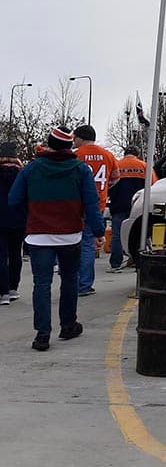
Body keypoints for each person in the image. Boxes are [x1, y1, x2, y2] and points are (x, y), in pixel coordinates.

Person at [7, 126, 105, 351]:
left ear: (49, 143)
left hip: (38, 236)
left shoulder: (31, 169)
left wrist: (30, 220)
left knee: (41, 284)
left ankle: (42, 335)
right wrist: (99, 232)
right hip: (70, 236)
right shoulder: (80, 170)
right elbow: (91, 203)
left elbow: (14, 200)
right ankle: (68, 325)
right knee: (70, 279)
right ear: (70, 146)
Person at [72, 125, 119, 297]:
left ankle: (73, 282)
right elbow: (115, 178)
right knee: (88, 245)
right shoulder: (107, 155)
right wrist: (103, 188)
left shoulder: (76, 155)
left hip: (76, 205)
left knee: (73, 243)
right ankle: (85, 285)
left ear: (80, 138)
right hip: (97, 205)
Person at [108, 146, 156, 272]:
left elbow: (108, 185)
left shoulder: (116, 165)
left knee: (117, 235)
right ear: (137, 154)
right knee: (139, 234)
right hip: (138, 206)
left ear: (125, 153)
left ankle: (115, 263)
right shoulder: (144, 166)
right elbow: (154, 185)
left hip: (118, 205)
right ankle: (138, 261)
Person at [0, 143, 25, 305]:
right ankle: (13, 288)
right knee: (16, 254)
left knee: (1, 255)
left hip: (0, 219)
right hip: (18, 218)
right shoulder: (23, 175)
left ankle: (2, 292)